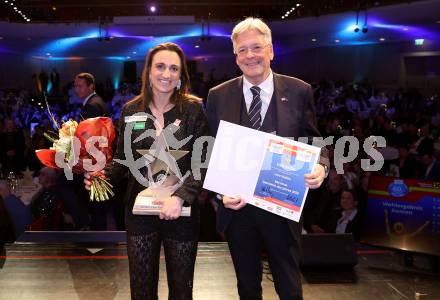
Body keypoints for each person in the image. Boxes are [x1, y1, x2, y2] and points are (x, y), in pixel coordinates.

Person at [206, 17, 329, 300]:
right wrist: (218, 194)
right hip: (238, 211)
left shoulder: (299, 91)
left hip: (282, 208)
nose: (250, 56)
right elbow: (209, 152)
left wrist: (320, 166)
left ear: (271, 50)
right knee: (247, 287)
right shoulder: (217, 96)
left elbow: (315, 141)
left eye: (256, 47)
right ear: (236, 56)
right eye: (242, 50)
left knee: (289, 286)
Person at [85, 42, 209, 299]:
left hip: (181, 211)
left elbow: (202, 164)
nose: (167, 73)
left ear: (180, 75)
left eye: (174, 68)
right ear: (148, 71)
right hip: (140, 212)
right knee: (141, 290)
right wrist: (102, 177)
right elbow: (122, 160)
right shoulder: (131, 110)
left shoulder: (194, 110)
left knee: (181, 291)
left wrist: (180, 197)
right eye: (160, 66)